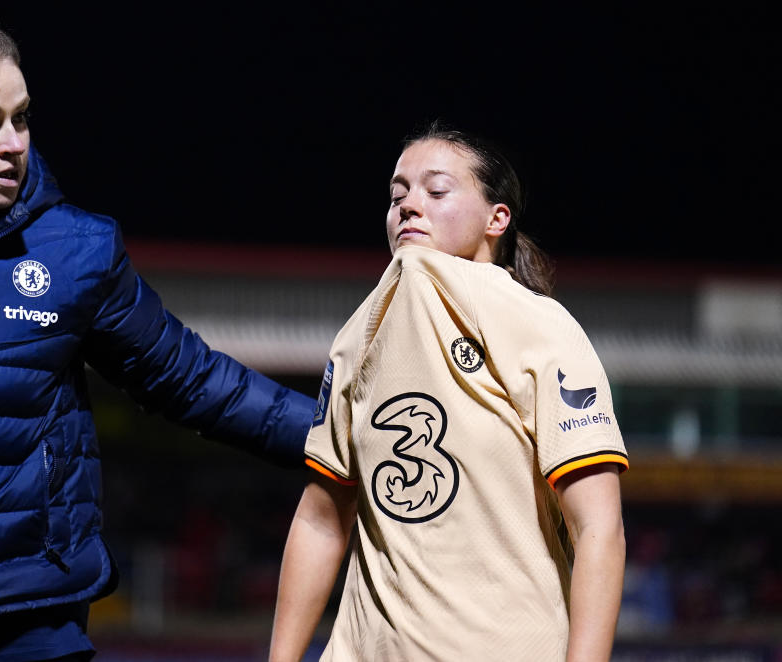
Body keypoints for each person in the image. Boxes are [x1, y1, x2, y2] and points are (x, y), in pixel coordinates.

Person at [0, 12, 316, 662]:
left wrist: (351, 434)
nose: (13, 142)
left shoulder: (75, 252)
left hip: (30, 628)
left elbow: (193, 381)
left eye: (21, 117)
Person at [269, 126, 628, 662]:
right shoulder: (355, 338)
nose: (409, 206)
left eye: (435, 192)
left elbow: (598, 526)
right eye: (397, 196)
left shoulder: (543, 326)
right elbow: (320, 519)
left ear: (496, 219)